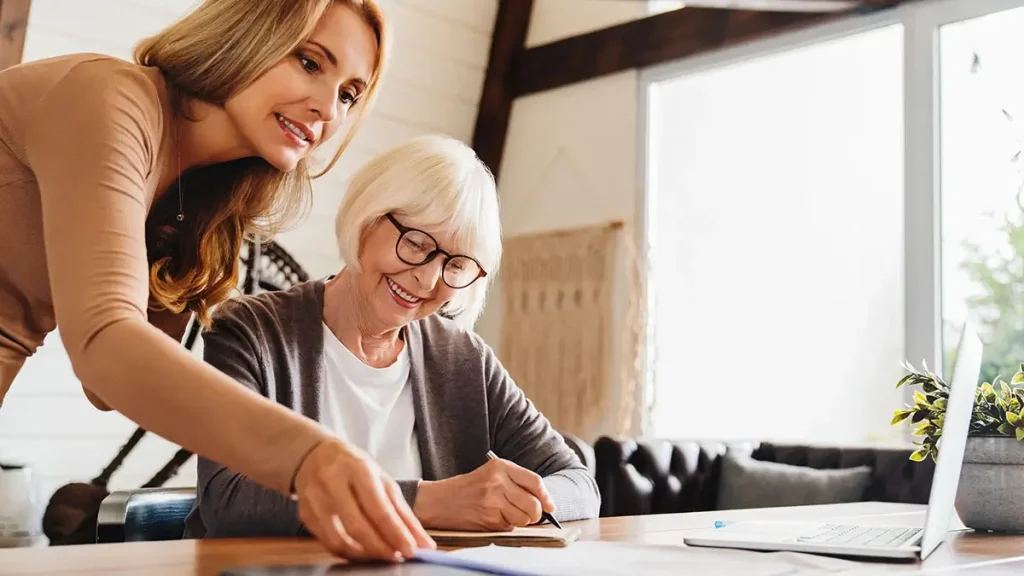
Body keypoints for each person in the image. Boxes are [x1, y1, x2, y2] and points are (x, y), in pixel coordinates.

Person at [0, 0, 434, 561]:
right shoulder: (107, 98)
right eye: (309, 62)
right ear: (247, 34)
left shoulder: (198, 198)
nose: (327, 107)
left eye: (350, 94)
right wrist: (308, 455)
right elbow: (104, 347)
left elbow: (107, 391)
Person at [182, 135, 601, 539]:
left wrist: (517, 501)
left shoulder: (462, 358)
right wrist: (430, 501)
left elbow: (580, 485)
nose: (427, 278)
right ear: (367, 219)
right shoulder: (251, 331)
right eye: (416, 243)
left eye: (455, 265)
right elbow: (228, 500)